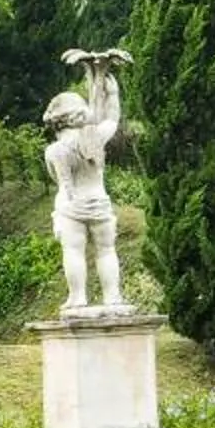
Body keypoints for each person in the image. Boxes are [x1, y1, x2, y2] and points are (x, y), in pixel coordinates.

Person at [43, 48, 131, 312]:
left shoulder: (54, 150)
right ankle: (112, 297)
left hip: (71, 205)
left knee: (73, 251)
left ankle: (77, 297)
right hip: (98, 202)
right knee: (106, 250)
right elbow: (111, 119)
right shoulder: (94, 138)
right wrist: (111, 93)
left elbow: (56, 178)